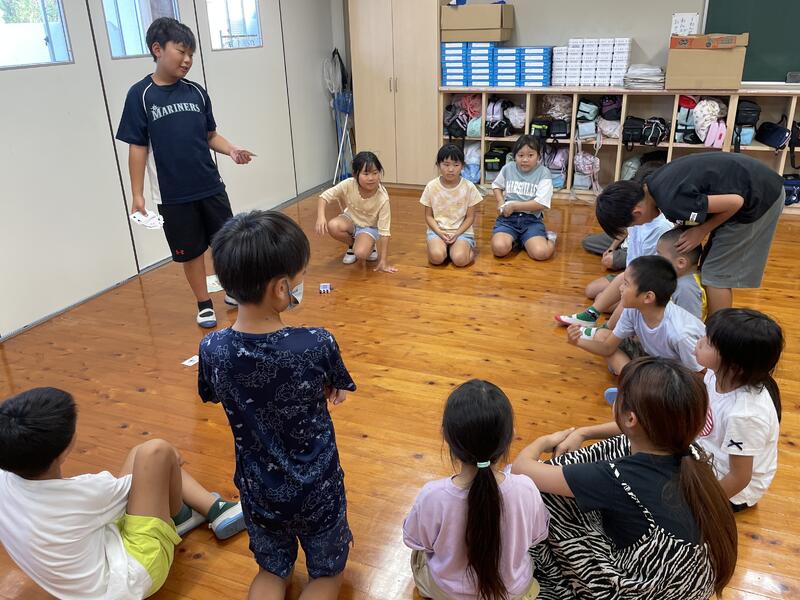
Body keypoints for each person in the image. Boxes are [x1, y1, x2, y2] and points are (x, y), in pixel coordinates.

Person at [200, 210, 357, 599]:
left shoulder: (212, 348)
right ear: (281, 288)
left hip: (259, 489)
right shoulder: (317, 342)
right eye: (300, 277)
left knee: (271, 573)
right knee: (326, 577)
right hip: (318, 487)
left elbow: (214, 392)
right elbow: (336, 388)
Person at [512, 358, 738, 600]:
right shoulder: (692, 453)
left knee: (539, 495)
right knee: (618, 448)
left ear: (631, 419)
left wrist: (544, 441)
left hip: (652, 589)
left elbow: (521, 469)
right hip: (692, 581)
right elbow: (633, 432)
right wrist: (584, 432)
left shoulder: (616, 478)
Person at [0, 387, 244, 600]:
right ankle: (206, 511)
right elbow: (151, 478)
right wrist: (169, 457)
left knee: (140, 454)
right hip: (130, 580)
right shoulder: (84, 495)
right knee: (156, 451)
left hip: (79, 583)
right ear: (63, 452)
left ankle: (196, 512)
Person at [116, 18, 254, 329]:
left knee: (226, 243)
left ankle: (233, 290)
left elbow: (210, 135)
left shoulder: (196, 92)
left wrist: (231, 150)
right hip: (173, 195)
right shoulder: (141, 95)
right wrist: (137, 194)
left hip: (210, 185)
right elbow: (137, 147)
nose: (188, 60)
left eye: (191, 54)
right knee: (190, 252)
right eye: (181, 52)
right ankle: (204, 303)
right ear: (157, 49)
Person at [403, 380, 548, 600]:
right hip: (513, 591)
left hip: (449, 594)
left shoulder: (432, 496)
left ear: (446, 436)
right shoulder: (526, 488)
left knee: (418, 556)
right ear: (511, 436)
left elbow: (415, 540)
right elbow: (535, 537)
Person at [596, 152, 785, 315]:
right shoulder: (652, 185)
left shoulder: (671, 201)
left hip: (760, 196)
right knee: (710, 264)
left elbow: (735, 202)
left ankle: (717, 336)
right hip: (752, 184)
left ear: (637, 213)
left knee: (715, 274)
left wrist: (702, 230)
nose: (641, 225)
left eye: (634, 224)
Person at [556, 163, 672, 327]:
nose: (628, 228)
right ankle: (591, 315)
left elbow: (644, 276)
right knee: (592, 291)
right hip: (634, 273)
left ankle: (605, 327)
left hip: (649, 283)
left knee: (609, 298)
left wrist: (627, 288)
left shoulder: (660, 227)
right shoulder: (639, 218)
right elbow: (632, 265)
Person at [694, 308, 783, 511]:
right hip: (706, 456)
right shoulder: (715, 373)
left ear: (734, 366)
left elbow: (739, 477)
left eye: (708, 342)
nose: (699, 342)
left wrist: (701, 504)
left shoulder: (744, 415)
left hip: (731, 491)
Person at [566, 256, 706, 376]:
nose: (620, 288)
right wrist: (577, 342)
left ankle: (637, 386)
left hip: (676, 374)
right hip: (654, 362)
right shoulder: (633, 310)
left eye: (626, 284)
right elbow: (608, 347)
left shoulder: (680, 334)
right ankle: (635, 384)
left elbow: (700, 373)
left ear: (648, 297)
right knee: (601, 335)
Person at [316, 151, 397, 273]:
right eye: (366, 173)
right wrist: (321, 217)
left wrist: (383, 261)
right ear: (355, 174)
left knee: (361, 253)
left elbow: (385, 231)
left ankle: (369, 245)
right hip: (351, 219)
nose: (371, 178)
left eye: (375, 173)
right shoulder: (349, 184)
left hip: (369, 227)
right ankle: (353, 245)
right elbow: (324, 196)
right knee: (332, 225)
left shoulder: (383, 198)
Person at [490, 135, 558, 261]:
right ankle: (518, 240)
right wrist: (500, 201)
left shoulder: (544, 173)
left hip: (531, 220)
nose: (525, 159)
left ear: (538, 156)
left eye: (530, 155)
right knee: (499, 249)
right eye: (520, 155)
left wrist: (514, 206)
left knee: (541, 253)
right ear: (514, 156)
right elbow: (496, 186)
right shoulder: (508, 168)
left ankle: (551, 239)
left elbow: (541, 203)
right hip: (508, 219)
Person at [421, 144, 484, 267]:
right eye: (446, 164)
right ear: (438, 165)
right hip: (438, 231)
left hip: (462, 232)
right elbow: (428, 216)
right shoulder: (431, 186)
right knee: (436, 258)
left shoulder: (469, 187)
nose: (451, 169)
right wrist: (439, 232)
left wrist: (457, 233)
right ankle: (444, 249)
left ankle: (464, 250)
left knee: (460, 260)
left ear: (462, 166)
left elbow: (470, 217)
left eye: (456, 165)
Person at [656, 227, 707, 320]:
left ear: (681, 263)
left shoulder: (685, 288)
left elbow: (689, 325)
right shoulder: (684, 280)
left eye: (659, 256)